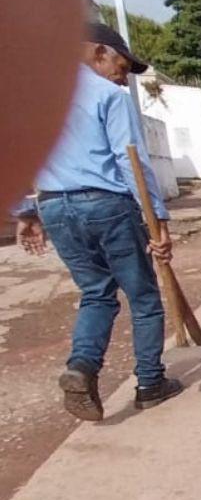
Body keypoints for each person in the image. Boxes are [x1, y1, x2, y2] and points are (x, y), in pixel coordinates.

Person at [13, 23, 183, 421]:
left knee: (95, 293)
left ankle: (81, 367)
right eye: (121, 67)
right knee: (143, 297)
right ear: (98, 52)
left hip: (55, 205)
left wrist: (25, 211)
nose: (123, 80)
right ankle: (149, 383)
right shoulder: (107, 96)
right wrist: (157, 218)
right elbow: (132, 160)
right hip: (106, 204)